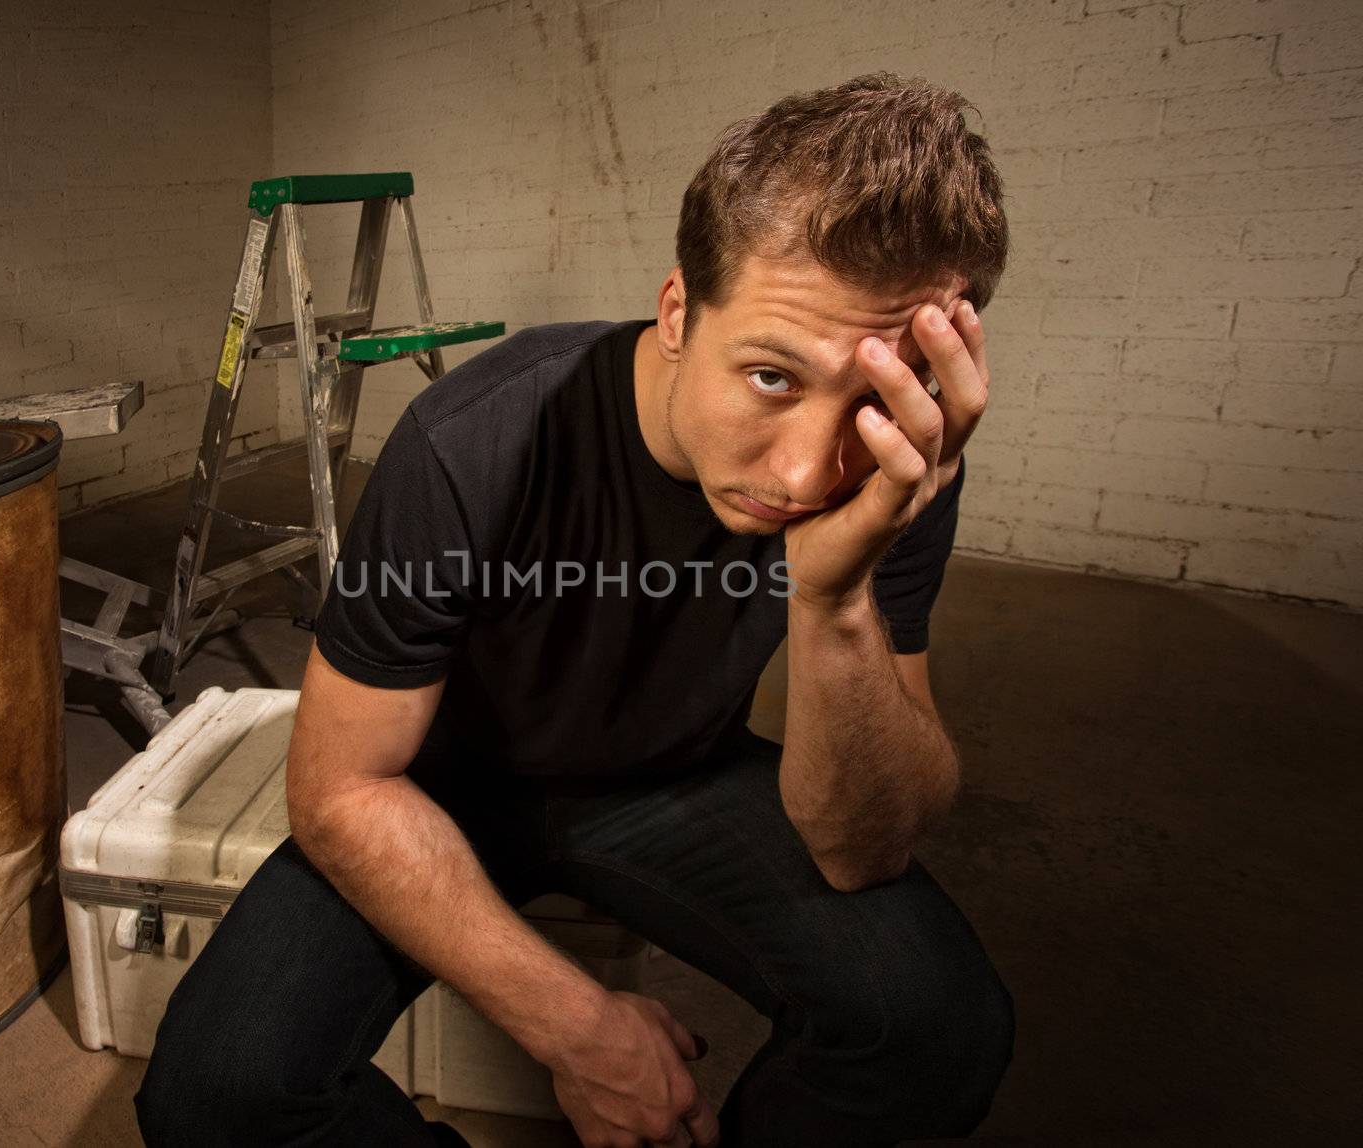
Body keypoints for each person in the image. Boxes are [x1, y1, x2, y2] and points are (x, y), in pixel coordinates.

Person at [136, 71, 1014, 1148]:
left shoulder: (897, 466)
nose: (800, 471)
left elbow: (862, 847)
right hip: (436, 782)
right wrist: (581, 1028)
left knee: (936, 1025)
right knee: (218, 1090)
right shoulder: (472, 442)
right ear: (681, 312)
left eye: (874, 396)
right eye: (773, 377)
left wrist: (832, 597)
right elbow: (336, 787)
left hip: (672, 774)